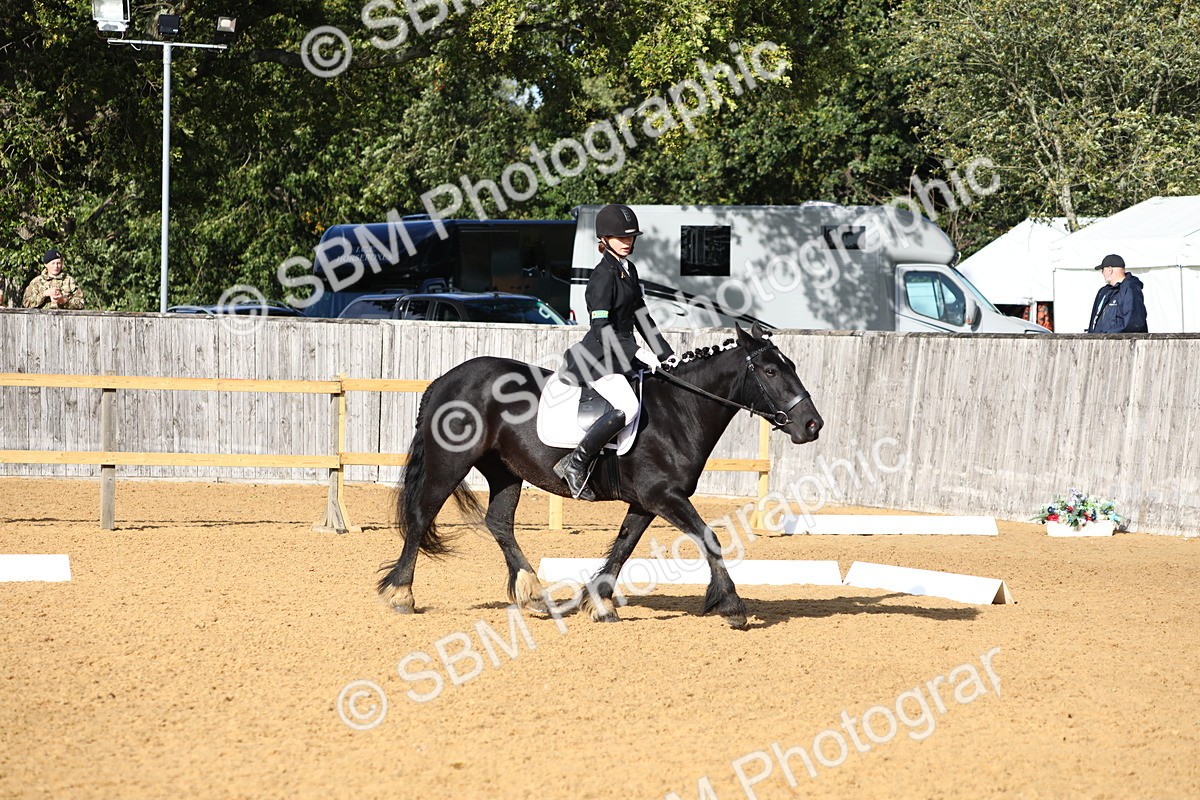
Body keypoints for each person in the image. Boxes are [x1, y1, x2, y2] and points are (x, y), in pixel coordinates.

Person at [554, 204, 675, 500]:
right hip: (598, 358)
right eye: (620, 237)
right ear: (604, 239)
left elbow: (642, 317)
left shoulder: (629, 270)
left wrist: (664, 354)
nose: (627, 242)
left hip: (622, 355)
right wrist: (637, 352)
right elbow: (601, 328)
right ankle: (575, 464)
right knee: (629, 407)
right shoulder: (601, 276)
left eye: (631, 237)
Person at [1087, 254, 1147, 333]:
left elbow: (1133, 322)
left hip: (1120, 343)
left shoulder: (1130, 289)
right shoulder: (1104, 291)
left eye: (1103, 270)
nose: (1102, 273)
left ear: (1110, 270)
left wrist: (1108, 336)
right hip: (1100, 343)